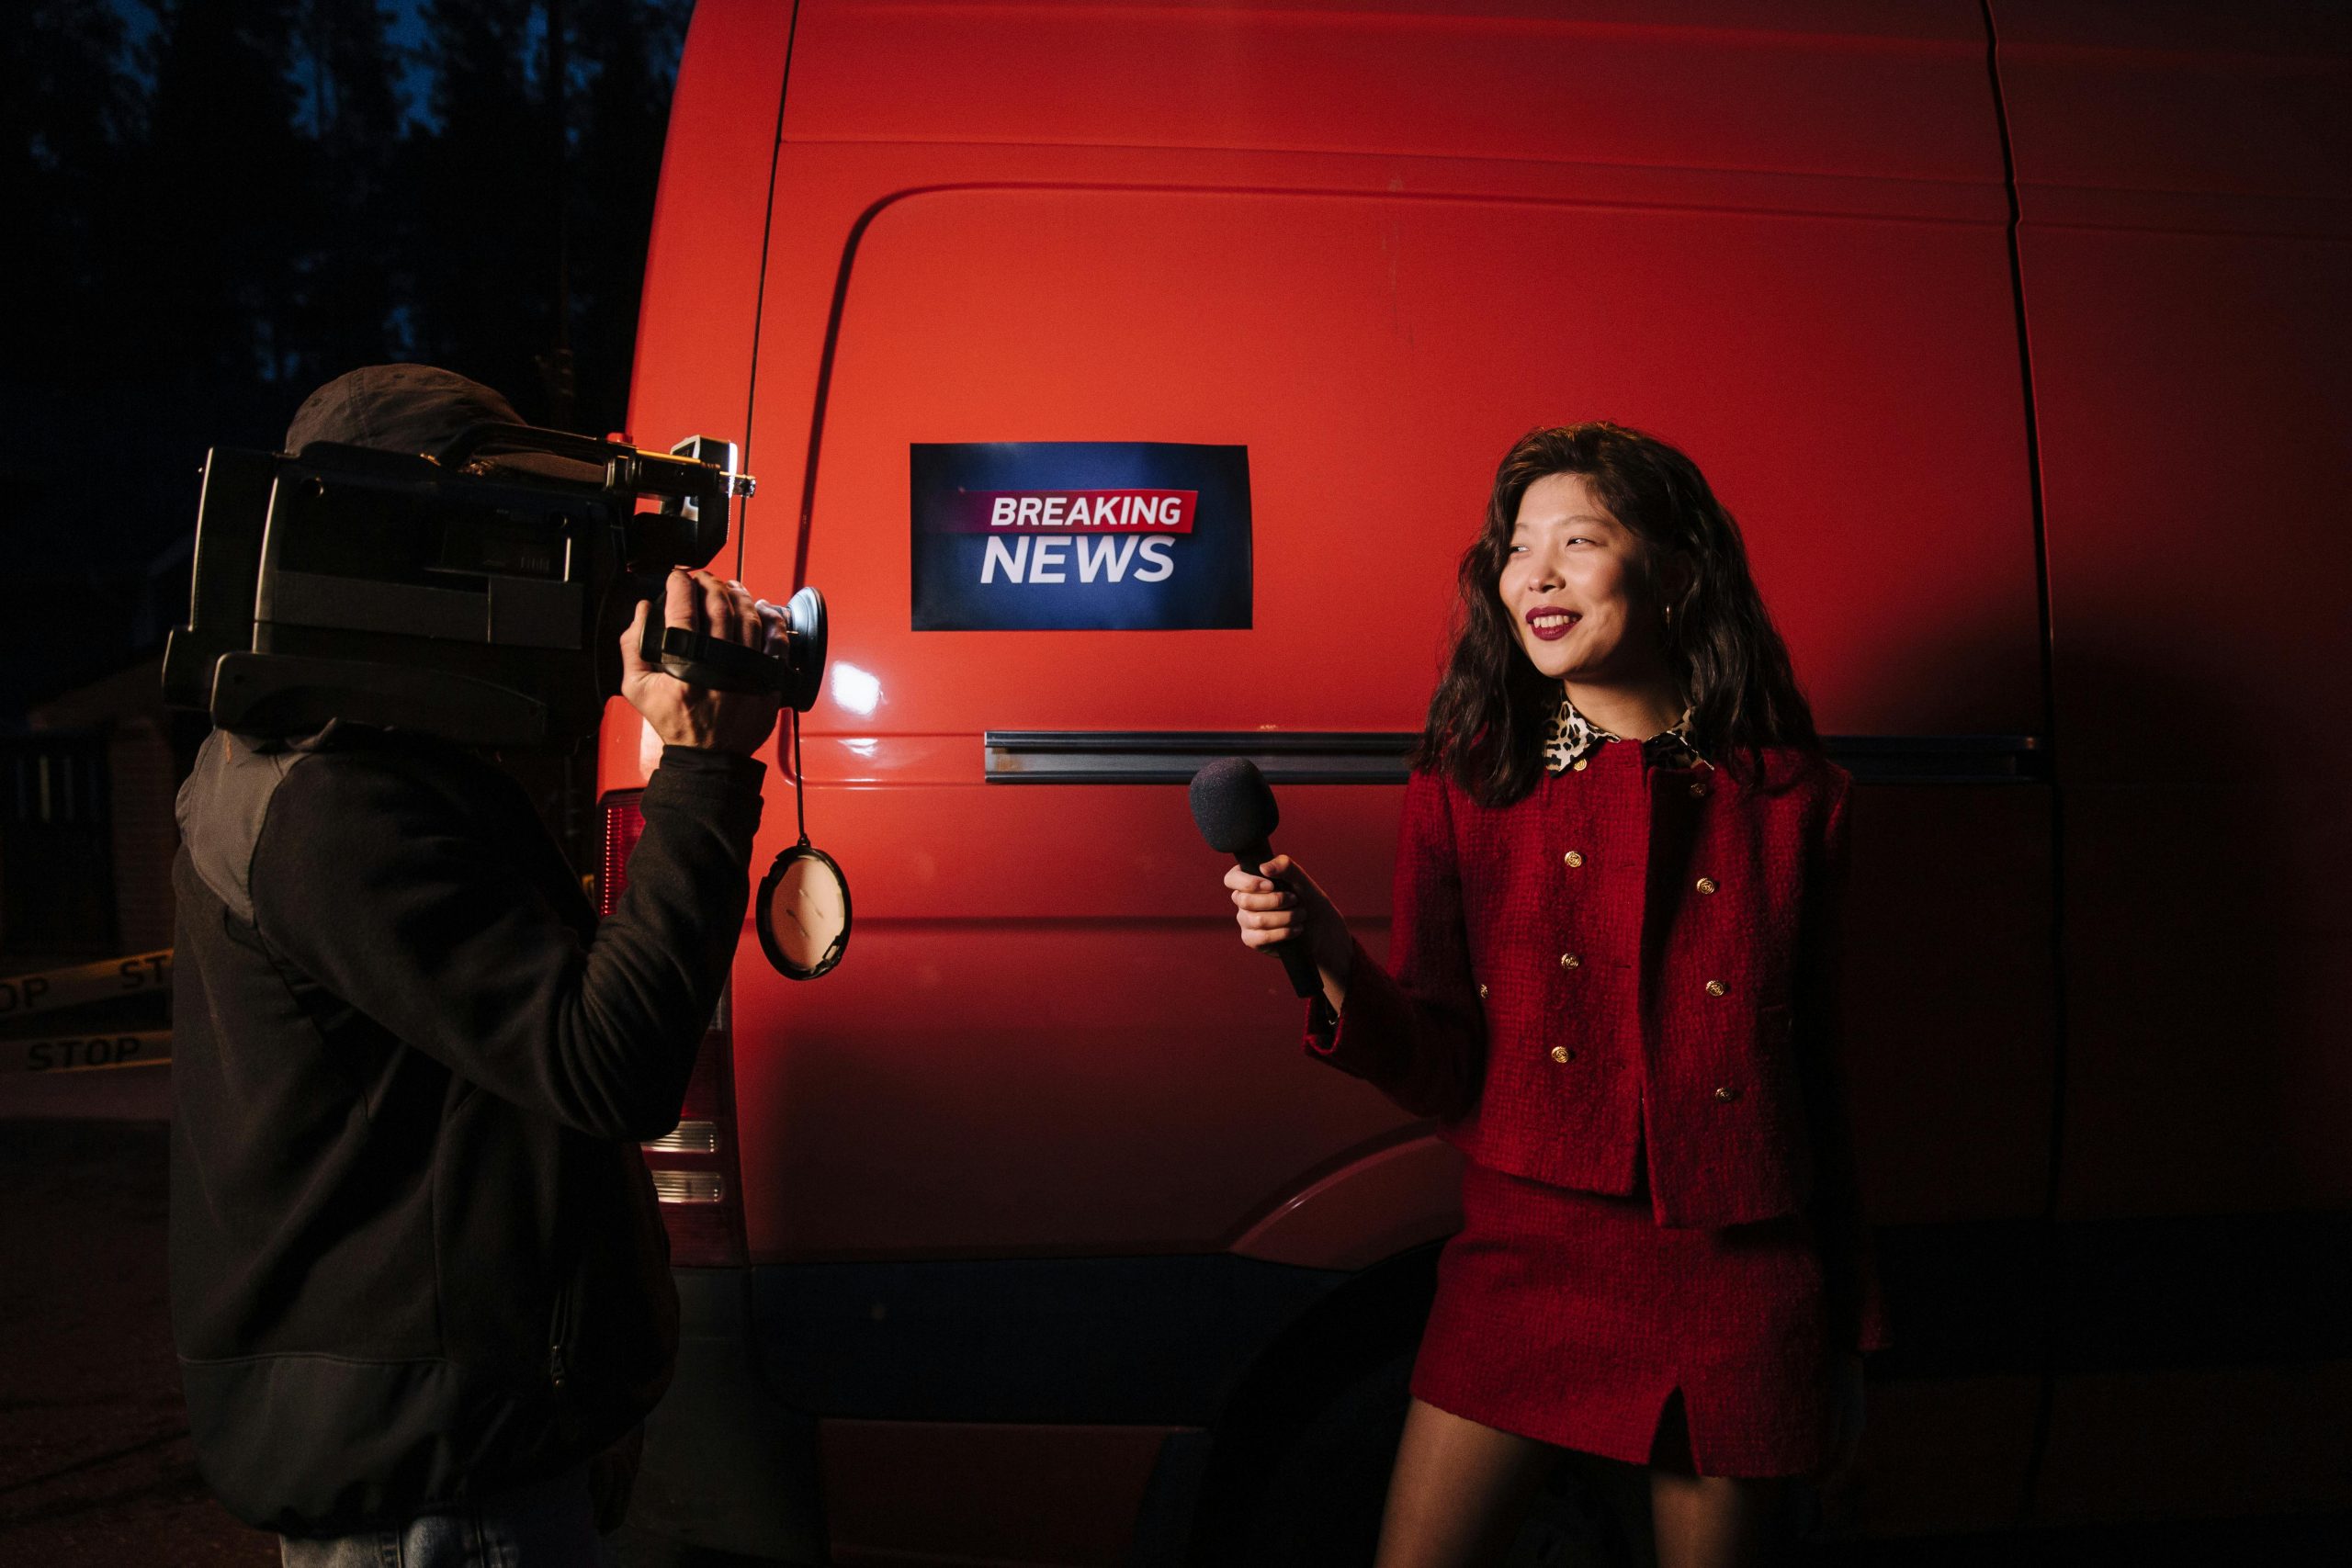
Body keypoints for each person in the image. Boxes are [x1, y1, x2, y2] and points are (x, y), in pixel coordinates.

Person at [1223, 423, 1891, 1567]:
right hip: (1529, 1254)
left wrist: (1845, 1342)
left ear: (1674, 573)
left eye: (1576, 542)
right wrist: (1330, 952)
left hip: (1734, 1273)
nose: (1533, 572)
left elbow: (1821, 1080)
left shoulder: (1793, 800)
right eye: (1516, 546)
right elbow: (1440, 1063)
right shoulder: (1466, 786)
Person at [168, 365, 783, 1564]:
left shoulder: (345, 763)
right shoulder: (332, 803)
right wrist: (701, 767)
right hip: (431, 1487)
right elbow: (611, 1060)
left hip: (446, 1448)